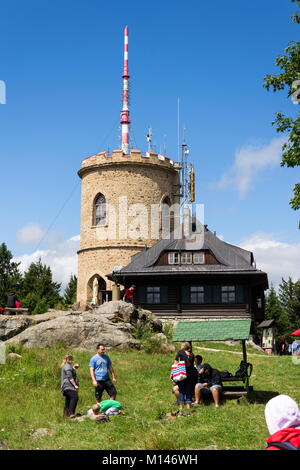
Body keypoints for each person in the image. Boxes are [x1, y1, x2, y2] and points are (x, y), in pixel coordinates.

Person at [174, 342, 197, 410]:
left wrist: (172, 373)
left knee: (181, 390)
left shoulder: (180, 353)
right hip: (190, 375)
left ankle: (181, 406)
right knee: (188, 390)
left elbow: (175, 363)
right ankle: (188, 406)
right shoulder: (192, 355)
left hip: (182, 374)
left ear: (183, 346)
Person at [60, 354, 79, 419]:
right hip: (68, 386)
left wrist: (73, 368)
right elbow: (69, 376)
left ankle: (65, 414)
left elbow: (70, 372)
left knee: (68, 399)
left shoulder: (67, 366)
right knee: (74, 397)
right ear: (66, 359)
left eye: (71, 359)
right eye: (70, 359)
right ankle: (71, 413)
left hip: (66, 386)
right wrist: (75, 385)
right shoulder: (67, 366)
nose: (71, 360)